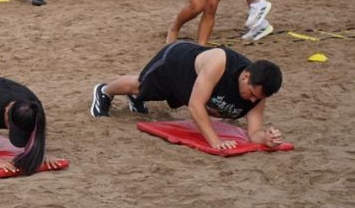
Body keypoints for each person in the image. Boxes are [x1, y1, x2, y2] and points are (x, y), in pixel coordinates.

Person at [90, 41, 284, 151]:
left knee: (144, 93)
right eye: (251, 93)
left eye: (256, 98)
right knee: (140, 87)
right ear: (245, 76)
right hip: (176, 63)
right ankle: (105, 91)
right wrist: (215, 141)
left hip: (192, 85)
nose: (251, 100)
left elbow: (254, 132)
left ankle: (137, 99)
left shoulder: (258, 93)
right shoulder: (220, 62)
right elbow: (195, 105)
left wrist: (266, 139)